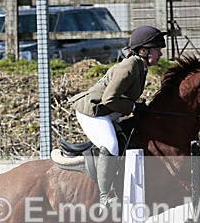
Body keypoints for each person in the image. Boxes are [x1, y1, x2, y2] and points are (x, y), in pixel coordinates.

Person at [69, 25, 166, 210]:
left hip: (109, 111)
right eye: (157, 49)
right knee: (111, 146)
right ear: (143, 50)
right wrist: (133, 107)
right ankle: (105, 198)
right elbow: (109, 98)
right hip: (94, 112)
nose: (160, 53)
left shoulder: (141, 65)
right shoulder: (129, 66)